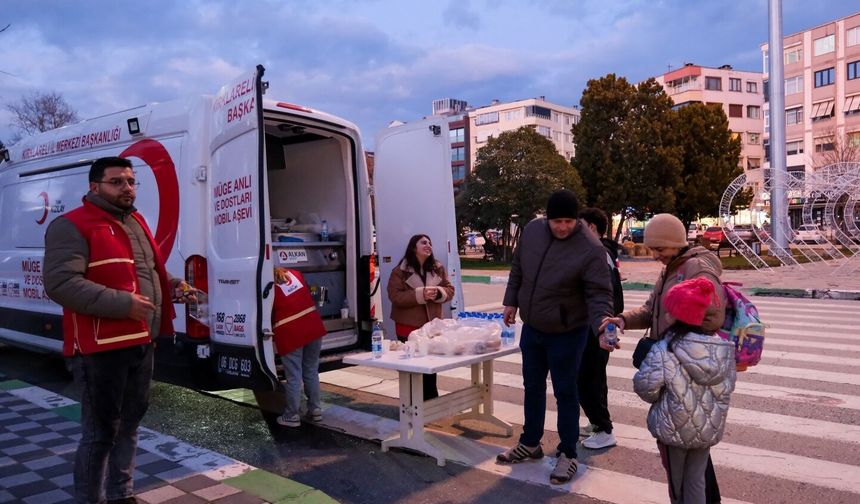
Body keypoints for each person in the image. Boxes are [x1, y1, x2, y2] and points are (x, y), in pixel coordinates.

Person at [44, 156, 193, 504]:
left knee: (129, 426)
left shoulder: (135, 221)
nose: (127, 187)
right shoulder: (72, 225)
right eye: (117, 181)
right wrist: (124, 303)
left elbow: (144, 270)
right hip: (100, 350)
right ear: (95, 186)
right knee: (100, 434)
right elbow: (61, 283)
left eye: (131, 180)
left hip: (142, 342)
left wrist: (171, 285)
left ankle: (121, 494)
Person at [600, 213, 726, 503]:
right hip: (682, 375)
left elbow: (713, 312)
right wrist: (621, 319)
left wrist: (672, 346)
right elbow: (650, 309)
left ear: (675, 243)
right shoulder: (672, 267)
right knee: (694, 452)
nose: (655, 255)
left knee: (680, 464)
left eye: (660, 249)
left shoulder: (696, 266)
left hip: (683, 374)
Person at [496, 190, 614, 485]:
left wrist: (603, 325)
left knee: (566, 392)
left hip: (567, 333)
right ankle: (531, 442)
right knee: (532, 386)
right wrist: (511, 300)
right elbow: (518, 268)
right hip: (533, 328)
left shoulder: (591, 248)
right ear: (547, 218)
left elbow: (599, 294)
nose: (562, 227)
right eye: (556, 221)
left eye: (568, 221)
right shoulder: (533, 231)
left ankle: (568, 453)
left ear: (577, 220)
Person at [633, 277, 736, 504]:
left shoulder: (665, 348)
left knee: (677, 485)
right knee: (697, 479)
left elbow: (645, 387)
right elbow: (727, 388)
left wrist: (660, 397)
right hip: (708, 429)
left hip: (673, 429)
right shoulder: (724, 350)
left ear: (679, 317)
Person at [576, 207, 624, 450]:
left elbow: (603, 294)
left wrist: (603, 328)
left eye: (580, 225)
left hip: (597, 327)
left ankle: (604, 429)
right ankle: (598, 424)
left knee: (587, 379)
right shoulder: (604, 252)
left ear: (592, 228)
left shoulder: (598, 253)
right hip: (600, 325)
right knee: (594, 377)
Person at [386, 234, 455, 400]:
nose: (428, 245)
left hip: (432, 327)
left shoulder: (437, 268)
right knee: (411, 367)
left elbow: (450, 290)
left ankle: (431, 403)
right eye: (423, 242)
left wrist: (438, 292)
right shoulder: (400, 271)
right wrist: (420, 294)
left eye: (430, 242)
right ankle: (411, 405)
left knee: (430, 367)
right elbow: (395, 296)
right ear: (413, 247)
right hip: (408, 327)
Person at [271, 267, 328, 427]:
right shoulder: (295, 274)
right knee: (311, 370)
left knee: (294, 376)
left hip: (291, 332)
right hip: (313, 326)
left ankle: (291, 416)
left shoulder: (267, 285)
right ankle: (315, 410)